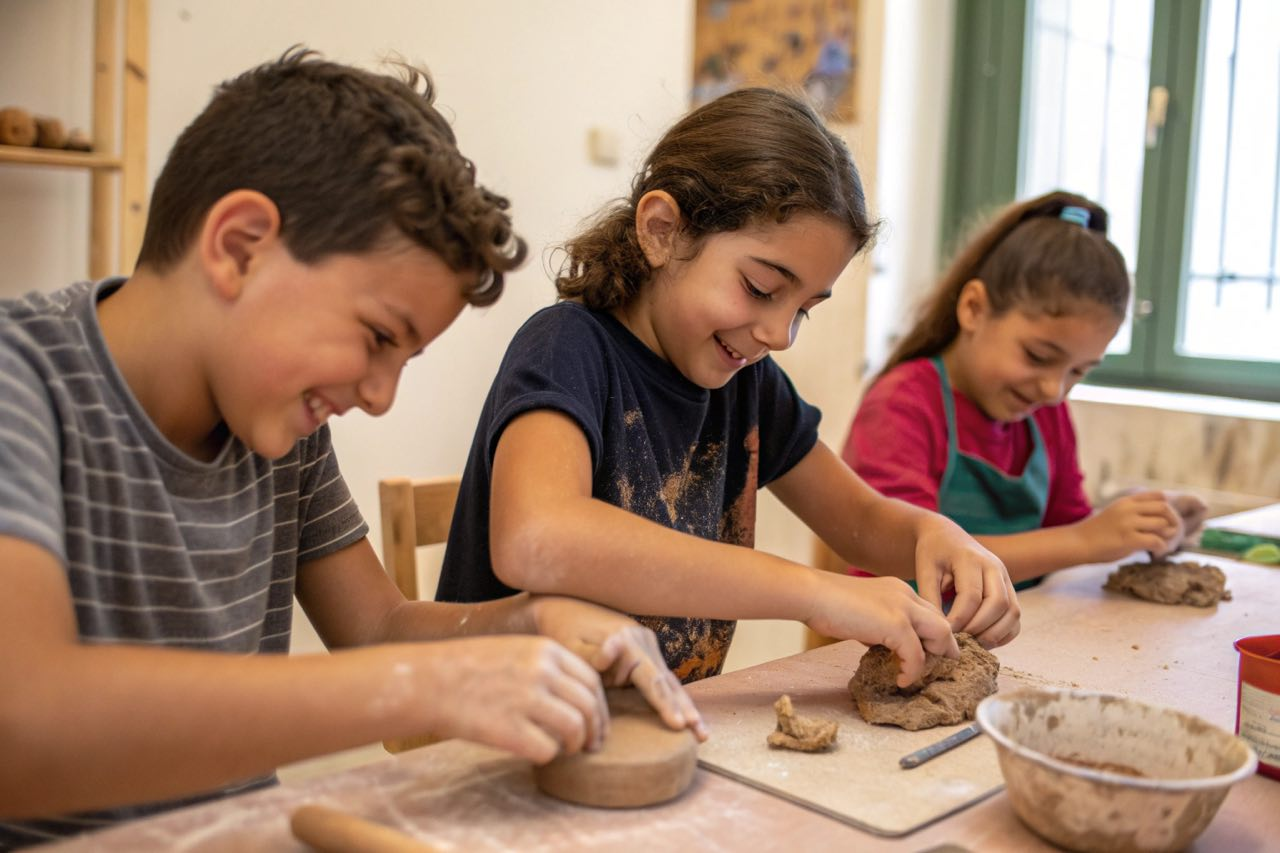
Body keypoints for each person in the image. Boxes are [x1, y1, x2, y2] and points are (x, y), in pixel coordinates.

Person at [0, 49, 705, 849]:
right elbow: (22, 720)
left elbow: (376, 629)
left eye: (404, 359)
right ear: (239, 247)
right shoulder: (20, 384)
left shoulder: (280, 427)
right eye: (376, 337)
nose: (379, 396)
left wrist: (531, 621)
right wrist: (424, 684)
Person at [435, 87, 1021, 688]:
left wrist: (934, 534)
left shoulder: (748, 385)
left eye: (804, 309)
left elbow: (860, 521)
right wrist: (814, 594)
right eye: (761, 288)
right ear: (662, 231)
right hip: (493, 722)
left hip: (655, 724)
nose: (780, 334)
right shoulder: (567, 348)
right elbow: (535, 539)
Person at [842, 191, 1208, 591]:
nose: (1053, 389)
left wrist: (1140, 521)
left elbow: (1068, 528)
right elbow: (902, 556)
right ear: (973, 308)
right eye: (1038, 356)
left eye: (1078, 371)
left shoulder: (1044, 412)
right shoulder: (903, 404)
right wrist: (1085, 540)